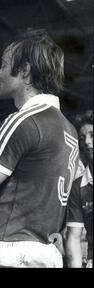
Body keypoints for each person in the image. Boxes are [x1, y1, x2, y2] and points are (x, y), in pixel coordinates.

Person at [0, 29, 80, 267]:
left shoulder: (24, 120)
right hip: (47, 253)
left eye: (3, 65)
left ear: (24, 71)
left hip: (10, 250)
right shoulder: (69, 129)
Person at [66, 110, 93, 268]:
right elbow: (74, 238)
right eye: (82, 138)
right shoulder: (78, 187)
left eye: (92, 135)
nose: (87, 142)